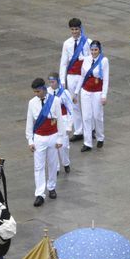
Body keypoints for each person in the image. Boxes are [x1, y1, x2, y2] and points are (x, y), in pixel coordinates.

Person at [25, 78, 62, 208]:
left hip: (52, 136)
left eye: (38, 91)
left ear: (44, 88)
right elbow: (29, 122)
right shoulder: (32, 103)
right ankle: (40, 194)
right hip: (39, 137)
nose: (36, 94)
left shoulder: (55, 100)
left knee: (52, 164)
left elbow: (60, 120)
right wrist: (30, 140)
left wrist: (60, 138)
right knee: (38, 166)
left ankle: (51, 187)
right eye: (34, 92)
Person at [76, 42, 109, 149]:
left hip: (97, 91)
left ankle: (100, 137)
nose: (94, 52)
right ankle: (87, 143)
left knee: (97, 116)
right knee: (86, 117)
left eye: (96, 50)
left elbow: (106, 79)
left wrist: (104, 95)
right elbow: (82, 76)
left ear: (99, 50)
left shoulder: (104, 61)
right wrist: (76, 92)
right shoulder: (86, 59)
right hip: (86, 91)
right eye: (92, 50)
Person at [59, 18, 91, 114]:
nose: (74, 32)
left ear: (80, 28)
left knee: (85, 102)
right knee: (74, 102)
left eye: (76, 29)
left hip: (83, 75)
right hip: (71, 75)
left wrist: (84, 58)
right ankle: (77, 124)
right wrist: (62, 80)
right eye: (72, 29)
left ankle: (88, 123)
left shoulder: (88, 42)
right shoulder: (67, 43)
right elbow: (63, 63)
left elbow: (92, 59)